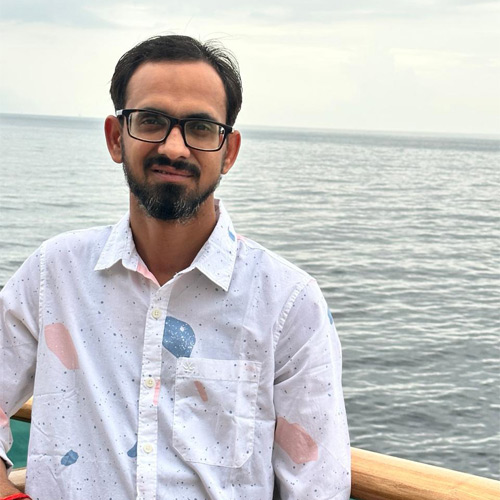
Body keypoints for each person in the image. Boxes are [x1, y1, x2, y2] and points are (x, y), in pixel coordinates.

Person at [0, 35, 350, 499]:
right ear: (116, 137)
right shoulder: (54, 275)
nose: (174, 147)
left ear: (229, 151)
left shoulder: (287, 303)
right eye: (151, 121)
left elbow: (318, 487)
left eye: (200, 128)